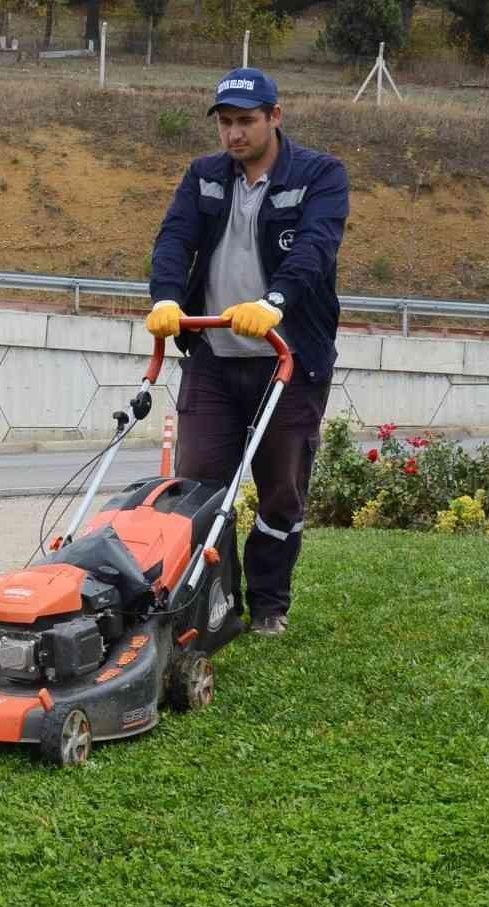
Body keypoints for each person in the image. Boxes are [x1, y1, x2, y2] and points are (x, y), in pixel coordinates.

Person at [145, 67, 350, 637]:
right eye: (226, 123)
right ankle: (210, 605)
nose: (233, 135)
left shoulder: (320, 175)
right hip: (212, 357)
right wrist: (165, 298)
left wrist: (275, 301)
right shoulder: (205, 176)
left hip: (288, 360)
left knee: (280, 491)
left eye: (245, 122)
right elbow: (174, 239)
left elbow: (315, 249)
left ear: (274, 118)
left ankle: (268, 606)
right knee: (198, 490)